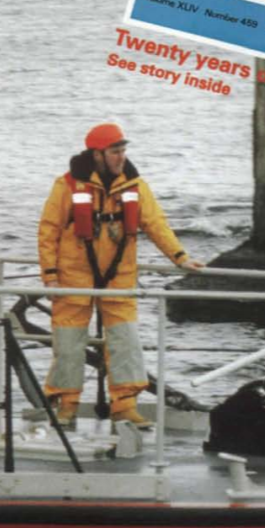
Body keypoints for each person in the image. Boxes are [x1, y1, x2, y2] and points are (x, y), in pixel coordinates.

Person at [38, 124, 202, 429]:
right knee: (68, 344)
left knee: (125, 343)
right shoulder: (67, 186)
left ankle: (125, 407)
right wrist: (50, 276)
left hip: (119, 279)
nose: (121, 157)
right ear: (97, 154)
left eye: (123, 151)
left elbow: (156, 223)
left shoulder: (135, 186)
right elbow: (49, 230)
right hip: (73, 279)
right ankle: (67, 405)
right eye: (115, 152)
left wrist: (180, 257)